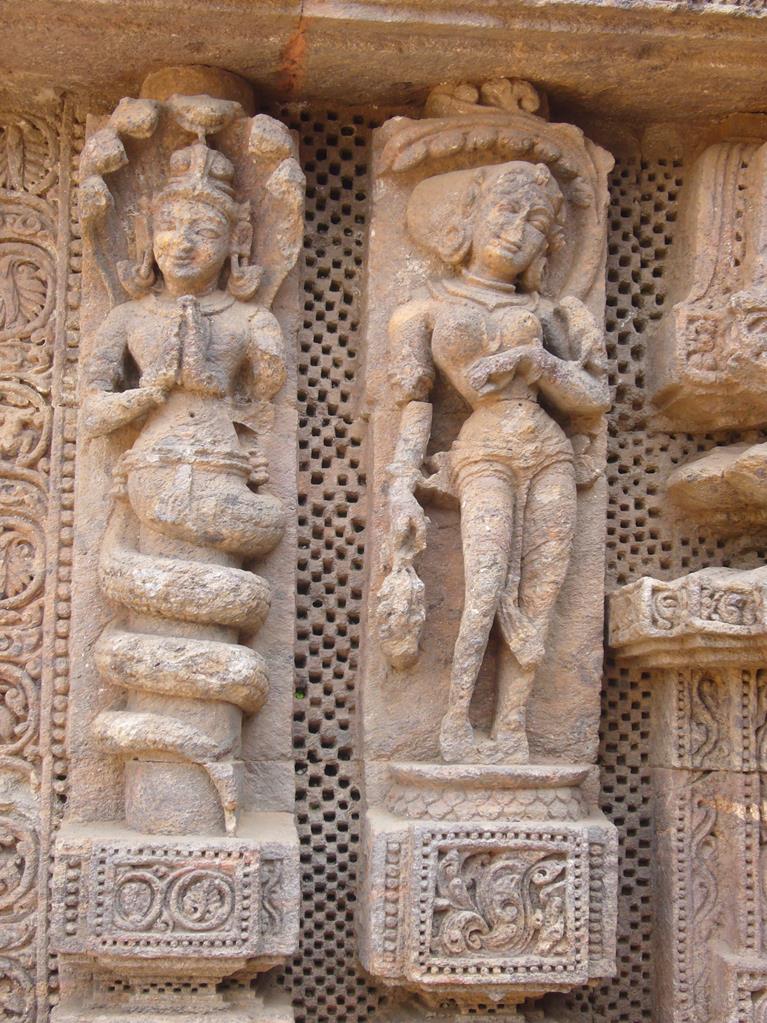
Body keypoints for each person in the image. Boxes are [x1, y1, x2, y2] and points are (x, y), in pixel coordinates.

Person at [384, 161, 609, 763]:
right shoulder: (420, 313)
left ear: (547, 245)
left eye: (535, 223)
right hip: (482, 451)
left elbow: (594, 399)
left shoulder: (550, 315)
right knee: (485, 588)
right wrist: (400, 488)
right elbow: (414, 408)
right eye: (505, 211)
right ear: (469, 217)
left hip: (549, 450)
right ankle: (456, 722)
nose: (516, 231)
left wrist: (540, 363)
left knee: (541, 593)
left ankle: (512, 728)